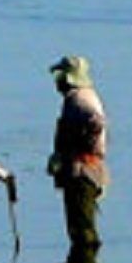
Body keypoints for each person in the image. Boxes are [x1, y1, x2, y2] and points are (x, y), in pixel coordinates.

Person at [46, 56, 108, 251]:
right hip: (82, 169)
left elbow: (95, 123)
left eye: (60, 76)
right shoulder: (78, 97)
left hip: (83, 172)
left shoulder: (80, 99)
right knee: (81, 226)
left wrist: (81, 152)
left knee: (82, 230)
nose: (57, 81)